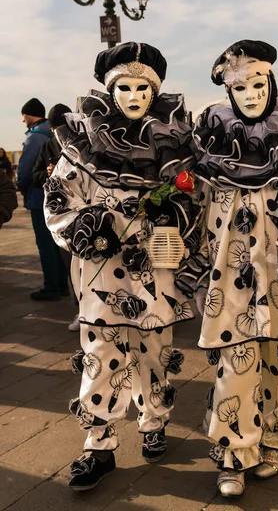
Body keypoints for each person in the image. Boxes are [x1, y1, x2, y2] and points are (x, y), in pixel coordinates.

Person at [182, 40, 278, 497]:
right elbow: (192, 204)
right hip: (230, 277)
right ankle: (233, 452)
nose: (251, 94)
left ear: (271, 84)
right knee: (236, 364)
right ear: (228, 94)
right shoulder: (211, 143)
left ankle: (275, 439)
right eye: (241, 87)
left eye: (259, 84)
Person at [44, 42, 199, 491]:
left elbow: (197, 201)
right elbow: (59, 203)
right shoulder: (82, 145)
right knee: (101, 355)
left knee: (153, 353)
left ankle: (153, 422)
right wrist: (95, 226)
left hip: (155, 272)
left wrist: (176, 215)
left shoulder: (172, 144)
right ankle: (98, 443)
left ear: (156, 93)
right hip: (100, 272)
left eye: (143, 88)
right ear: (109, 91)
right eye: (124, 88)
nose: (133, 97)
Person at [17, 98, 70, 300]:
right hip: (61, 201)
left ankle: (52, 287)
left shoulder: (35, 139)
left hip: (40, 199)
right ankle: (62, 284)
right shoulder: (54, 135)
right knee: (58, 244)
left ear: (30, 115)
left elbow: (26, 173)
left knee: (45, 245)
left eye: (23, 116)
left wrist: (23, 189)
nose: (23, 121)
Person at [32, 104, 79, 331]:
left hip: (83, 208)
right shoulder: (48, 146)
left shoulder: (82, 142)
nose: (58, 134)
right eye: (55, 130)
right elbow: (35, 174)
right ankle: (81, 311)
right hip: (61, 212)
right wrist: (47, 174)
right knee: (71, 265)